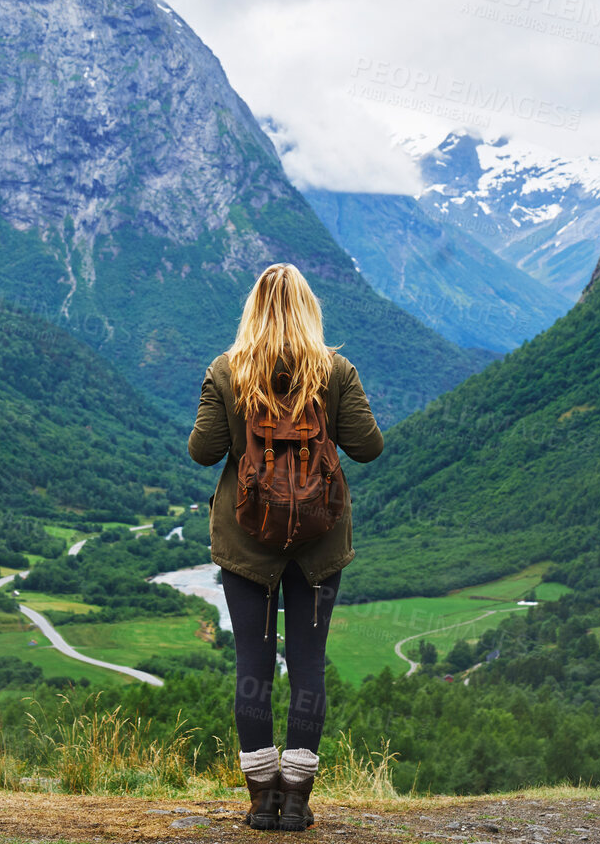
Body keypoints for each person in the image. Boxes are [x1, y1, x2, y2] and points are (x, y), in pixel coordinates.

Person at [188, 262, 384, 830]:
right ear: (309, 310)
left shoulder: (227, 372)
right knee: (308, 666)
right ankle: (296, 803)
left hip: (245, 542)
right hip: (318, 544)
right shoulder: (335, 371)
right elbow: (368, 447)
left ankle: (260, 802)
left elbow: (203, 451)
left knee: (252, 663)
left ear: (252, 311)